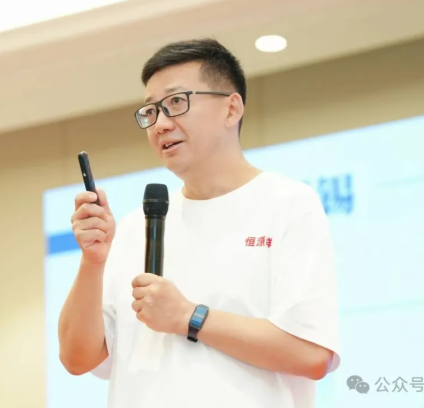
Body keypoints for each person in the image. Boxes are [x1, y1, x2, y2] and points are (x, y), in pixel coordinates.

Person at [58, 38, 340, 408]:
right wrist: (92, 262)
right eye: (151, 111)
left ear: (231, 108)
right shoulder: (132, 227)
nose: (160, 124)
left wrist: (189, 317)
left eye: (176, 102)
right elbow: (77, 358)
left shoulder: (288, 204)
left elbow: (312, 354)